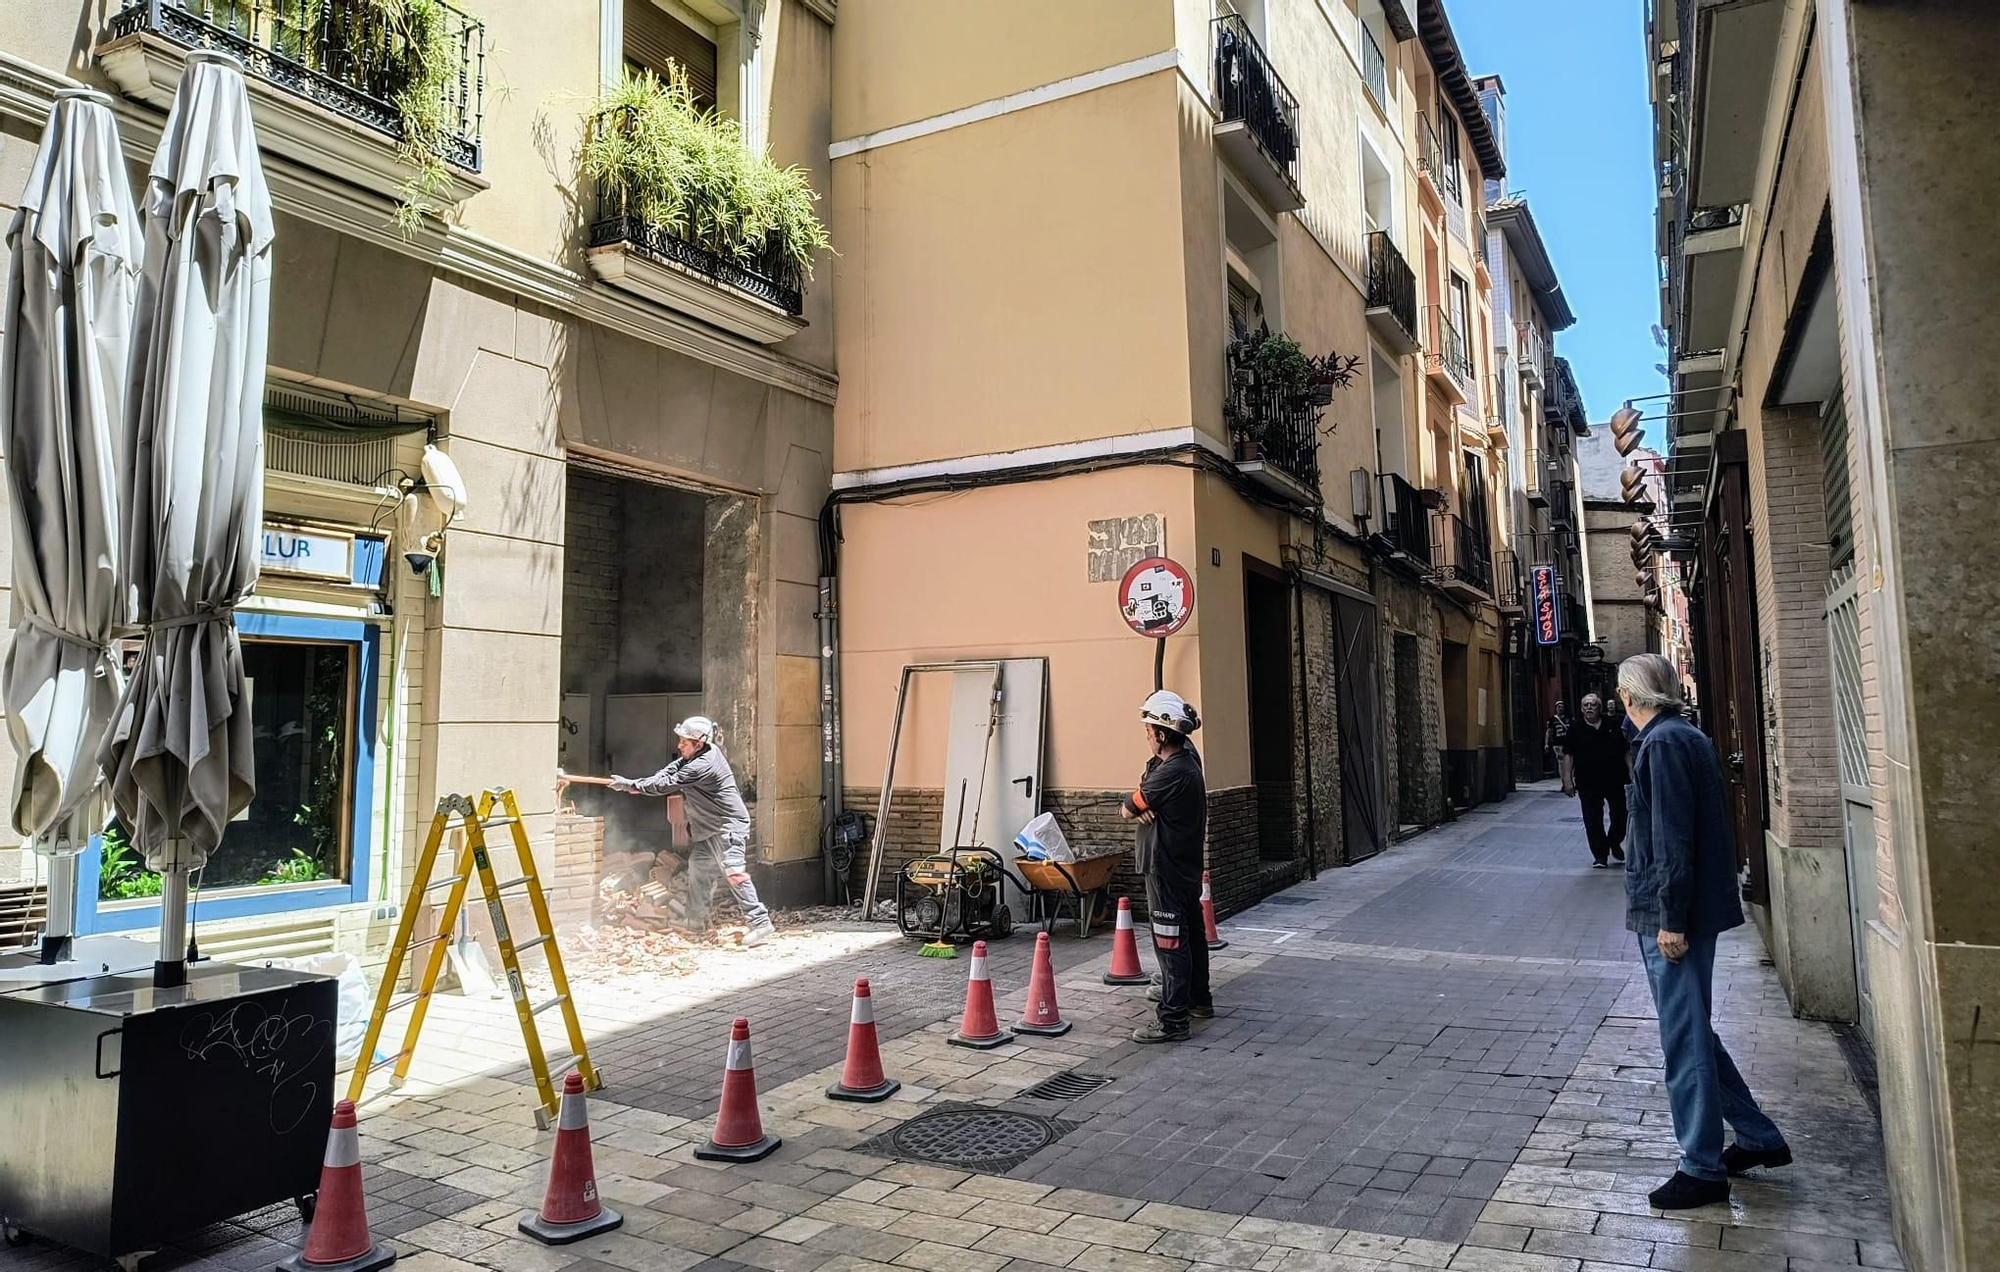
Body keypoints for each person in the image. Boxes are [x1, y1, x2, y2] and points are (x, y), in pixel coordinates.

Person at [1619, 653, 1790, 1209]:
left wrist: (1670, 918)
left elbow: (1671, 838)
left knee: (1683, 1039)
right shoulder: (1683, 736)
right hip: (1686, 909)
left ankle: (1701, 1165)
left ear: (1629, 696)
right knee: (1694, 1030)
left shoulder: (1664, 744)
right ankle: (1758, 1136)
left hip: (1675, 917)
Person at [610, 716, 776, 947]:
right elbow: (670, 770)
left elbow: (667, 784)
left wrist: (632, 785)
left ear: (698, 743)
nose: (679, 745)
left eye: (684, 742)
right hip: (709, 831)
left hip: (728, 827)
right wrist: (639, 784)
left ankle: (760, 923)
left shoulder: (703, 764)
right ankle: (695, 919)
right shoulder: (698, 754)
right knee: (698, 869)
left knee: (733, 873)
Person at [1120, 690, 1210, 1043]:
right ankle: (1199, 1000)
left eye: (1148, 730)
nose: (1146, 736)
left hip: (1165, 868)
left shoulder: (1172, 772)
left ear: (1160, 734)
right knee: (1192, 937)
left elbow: (1128, 807)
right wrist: (1143, 803)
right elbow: (1143, 793)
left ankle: (1173, 1019)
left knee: (1170, 944)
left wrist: (1138, 806)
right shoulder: (1187, 759)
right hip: (1183, 866)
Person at [1563, 693, 1630, 869]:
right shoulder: (1575, 729)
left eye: (1593, 705)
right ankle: (1600, 855)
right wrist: (1567, 781)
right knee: (1592, 819)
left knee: (1621, 815)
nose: (1589, 708)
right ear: (1581, 708)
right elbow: (1568, 755)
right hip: (1587, 781)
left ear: (1600, 708)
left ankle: (1614, 841)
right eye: (1585, 705)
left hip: (1615, 779)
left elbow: (1625, 751)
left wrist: (1632, 773)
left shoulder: (1612, 725)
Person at [1546, 699, 1574, 791]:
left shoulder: (1569, 719)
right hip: (1558, 745)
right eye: (1559, 706)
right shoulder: (1552, 720)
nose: (1560, 708)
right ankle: (1564, 783)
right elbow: (1549, 732)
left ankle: (1570, 781)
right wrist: (1546, 743)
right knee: (1562, 764)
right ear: (1556, 708)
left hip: (1569, 744)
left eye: (1562, 706)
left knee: (1571, 763)